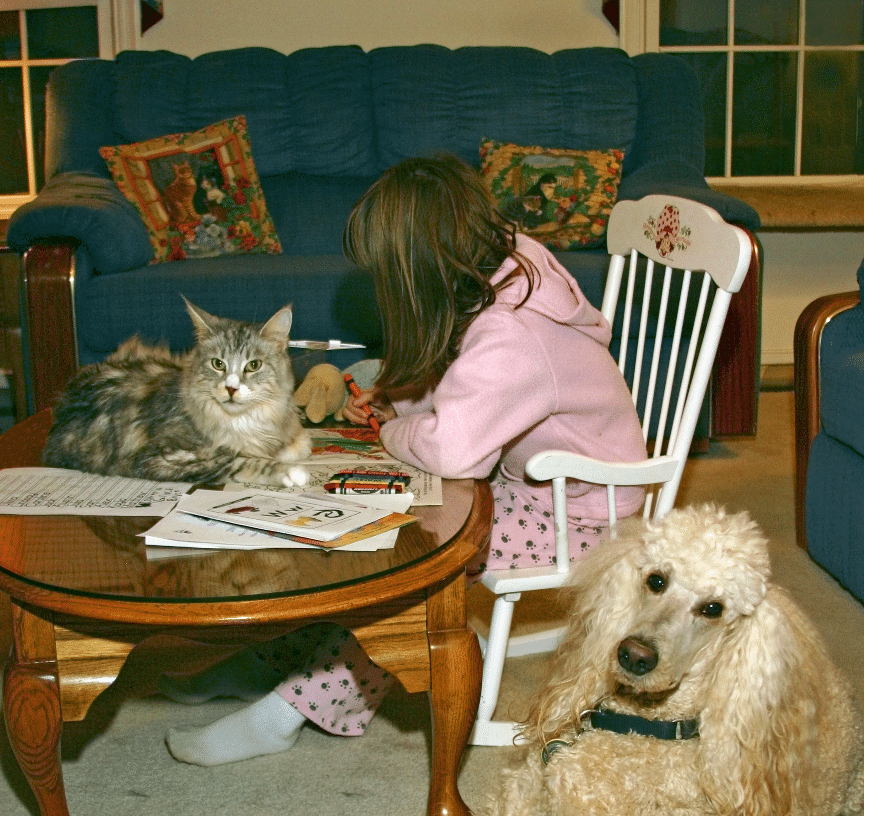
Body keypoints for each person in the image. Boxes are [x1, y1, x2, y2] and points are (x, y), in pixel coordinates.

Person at [164, 153, 647, 766]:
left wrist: (397, 432)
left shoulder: (515, 334)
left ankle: (292, 707)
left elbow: (454, 449)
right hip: (537, 486)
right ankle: (277, 658)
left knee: (405, 562)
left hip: (583, 518)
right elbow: (467, 385)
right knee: (353, 515)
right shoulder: (501, 269)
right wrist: (399, 402)